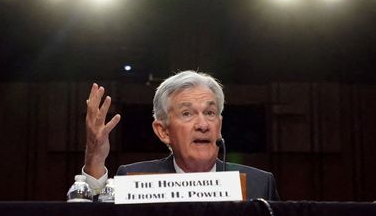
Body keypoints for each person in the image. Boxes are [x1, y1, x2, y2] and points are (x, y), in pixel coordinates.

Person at [82, 70, 279, 200]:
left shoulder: (258, 184)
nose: (203, 125)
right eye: (187, 113)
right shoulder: (134, 180)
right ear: (163, 131)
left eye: (210, 113)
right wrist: (95, 158)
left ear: (219, 124)